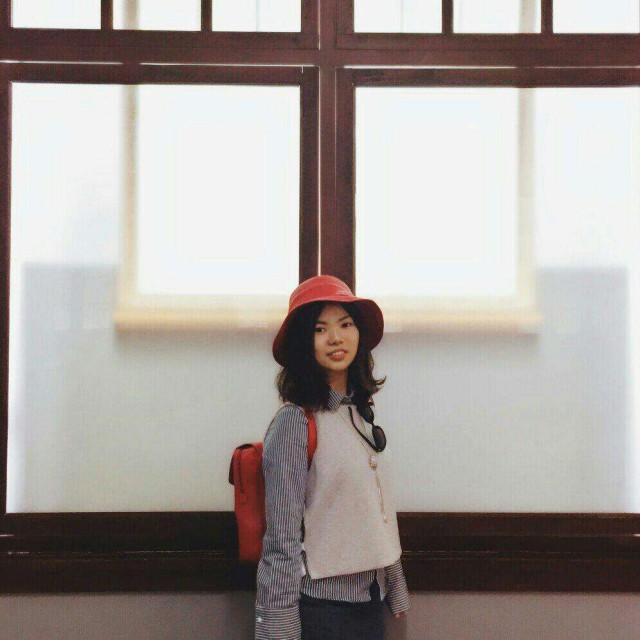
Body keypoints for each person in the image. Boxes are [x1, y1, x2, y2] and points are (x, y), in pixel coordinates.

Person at [255, 275, 410, 640]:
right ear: (303, 343)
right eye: (320, 329)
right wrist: (278, 629)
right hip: (321, 610)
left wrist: (395, 584)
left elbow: (377, 509)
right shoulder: (295, 422)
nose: (336, 338)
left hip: (370, 603)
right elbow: (282, 538)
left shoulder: (360, 415)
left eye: (345, 324)